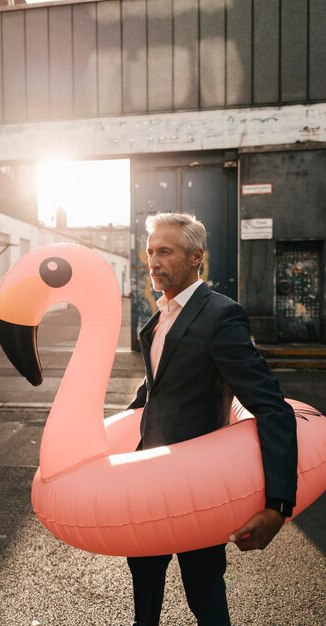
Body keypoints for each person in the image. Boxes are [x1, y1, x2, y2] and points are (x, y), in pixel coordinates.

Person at [127, 212, 298, 626]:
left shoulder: (221, 316)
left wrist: (278, 505)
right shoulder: (160, 315)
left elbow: (272, 406)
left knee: (204, 594)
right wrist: (125, 421)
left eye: (165, 251)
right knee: (144, 581)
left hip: (195, 488)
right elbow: (159, 381)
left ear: (195, 257)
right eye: (150, 251)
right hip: (148, 479)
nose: (153, 261)